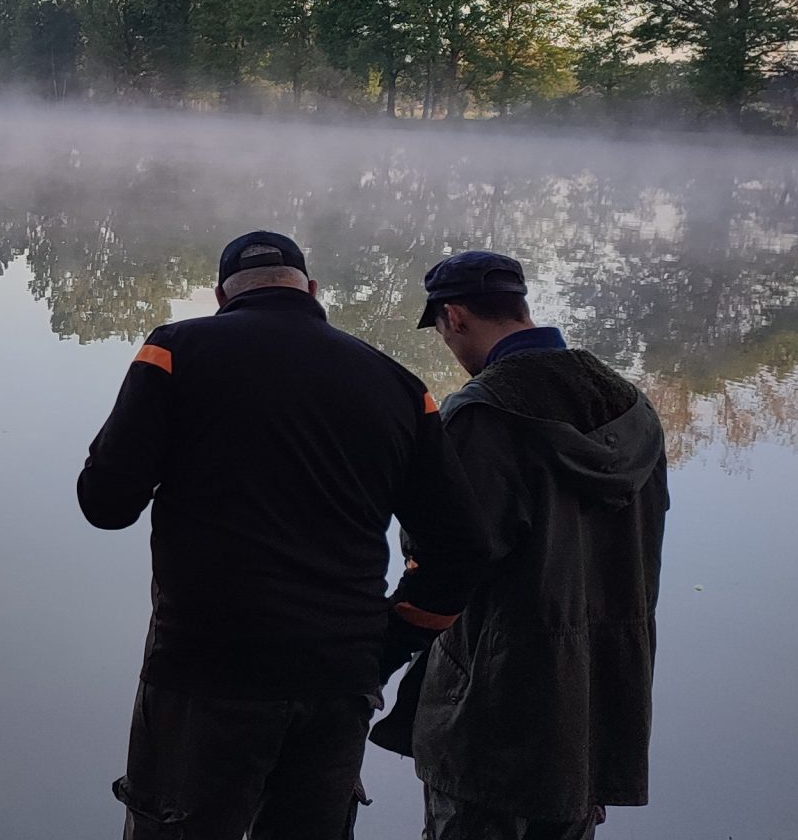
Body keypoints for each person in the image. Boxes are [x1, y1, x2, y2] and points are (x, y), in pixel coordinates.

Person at [78, 231, 495, 840]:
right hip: (339, 678)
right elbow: (463, 551)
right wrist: (385, 644)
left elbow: (106, 504)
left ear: (221, 295)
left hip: (204, 671)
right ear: (313, 291)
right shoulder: (401, 387)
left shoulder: (174, 352)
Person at [371, 251, 668, 840]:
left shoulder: (481, 414)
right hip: (597, 699)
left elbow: (445, 557)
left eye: (441, 333)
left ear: (453, 317)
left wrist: (380, 651)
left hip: (495, 701)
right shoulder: (634, 409)